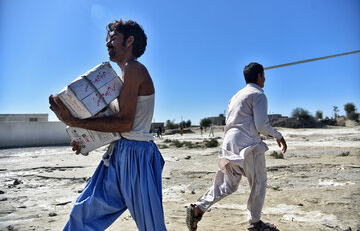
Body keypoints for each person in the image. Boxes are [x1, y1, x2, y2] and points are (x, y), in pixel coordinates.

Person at [49, 19, 167, 231]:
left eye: (113, 38)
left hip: (137, 156)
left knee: (152, 226)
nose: (107, 43)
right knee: (82, 215)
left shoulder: (134, 68)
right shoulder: (120, 78)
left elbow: (124, 123)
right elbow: (117, 126)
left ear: (130, 41)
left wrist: (73, 121)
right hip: (119, 153)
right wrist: (86, 140)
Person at [186, 62, 287, 231]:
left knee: (227, 184)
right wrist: (278, 135)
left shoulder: (235, 96)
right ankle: (255, 223)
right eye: (264, 76)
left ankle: (198, 208)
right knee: (259, 182)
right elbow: (262, 125)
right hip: (248, 145)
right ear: (260, 76)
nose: (265, 79)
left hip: (229, 143)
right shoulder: (258, 94)